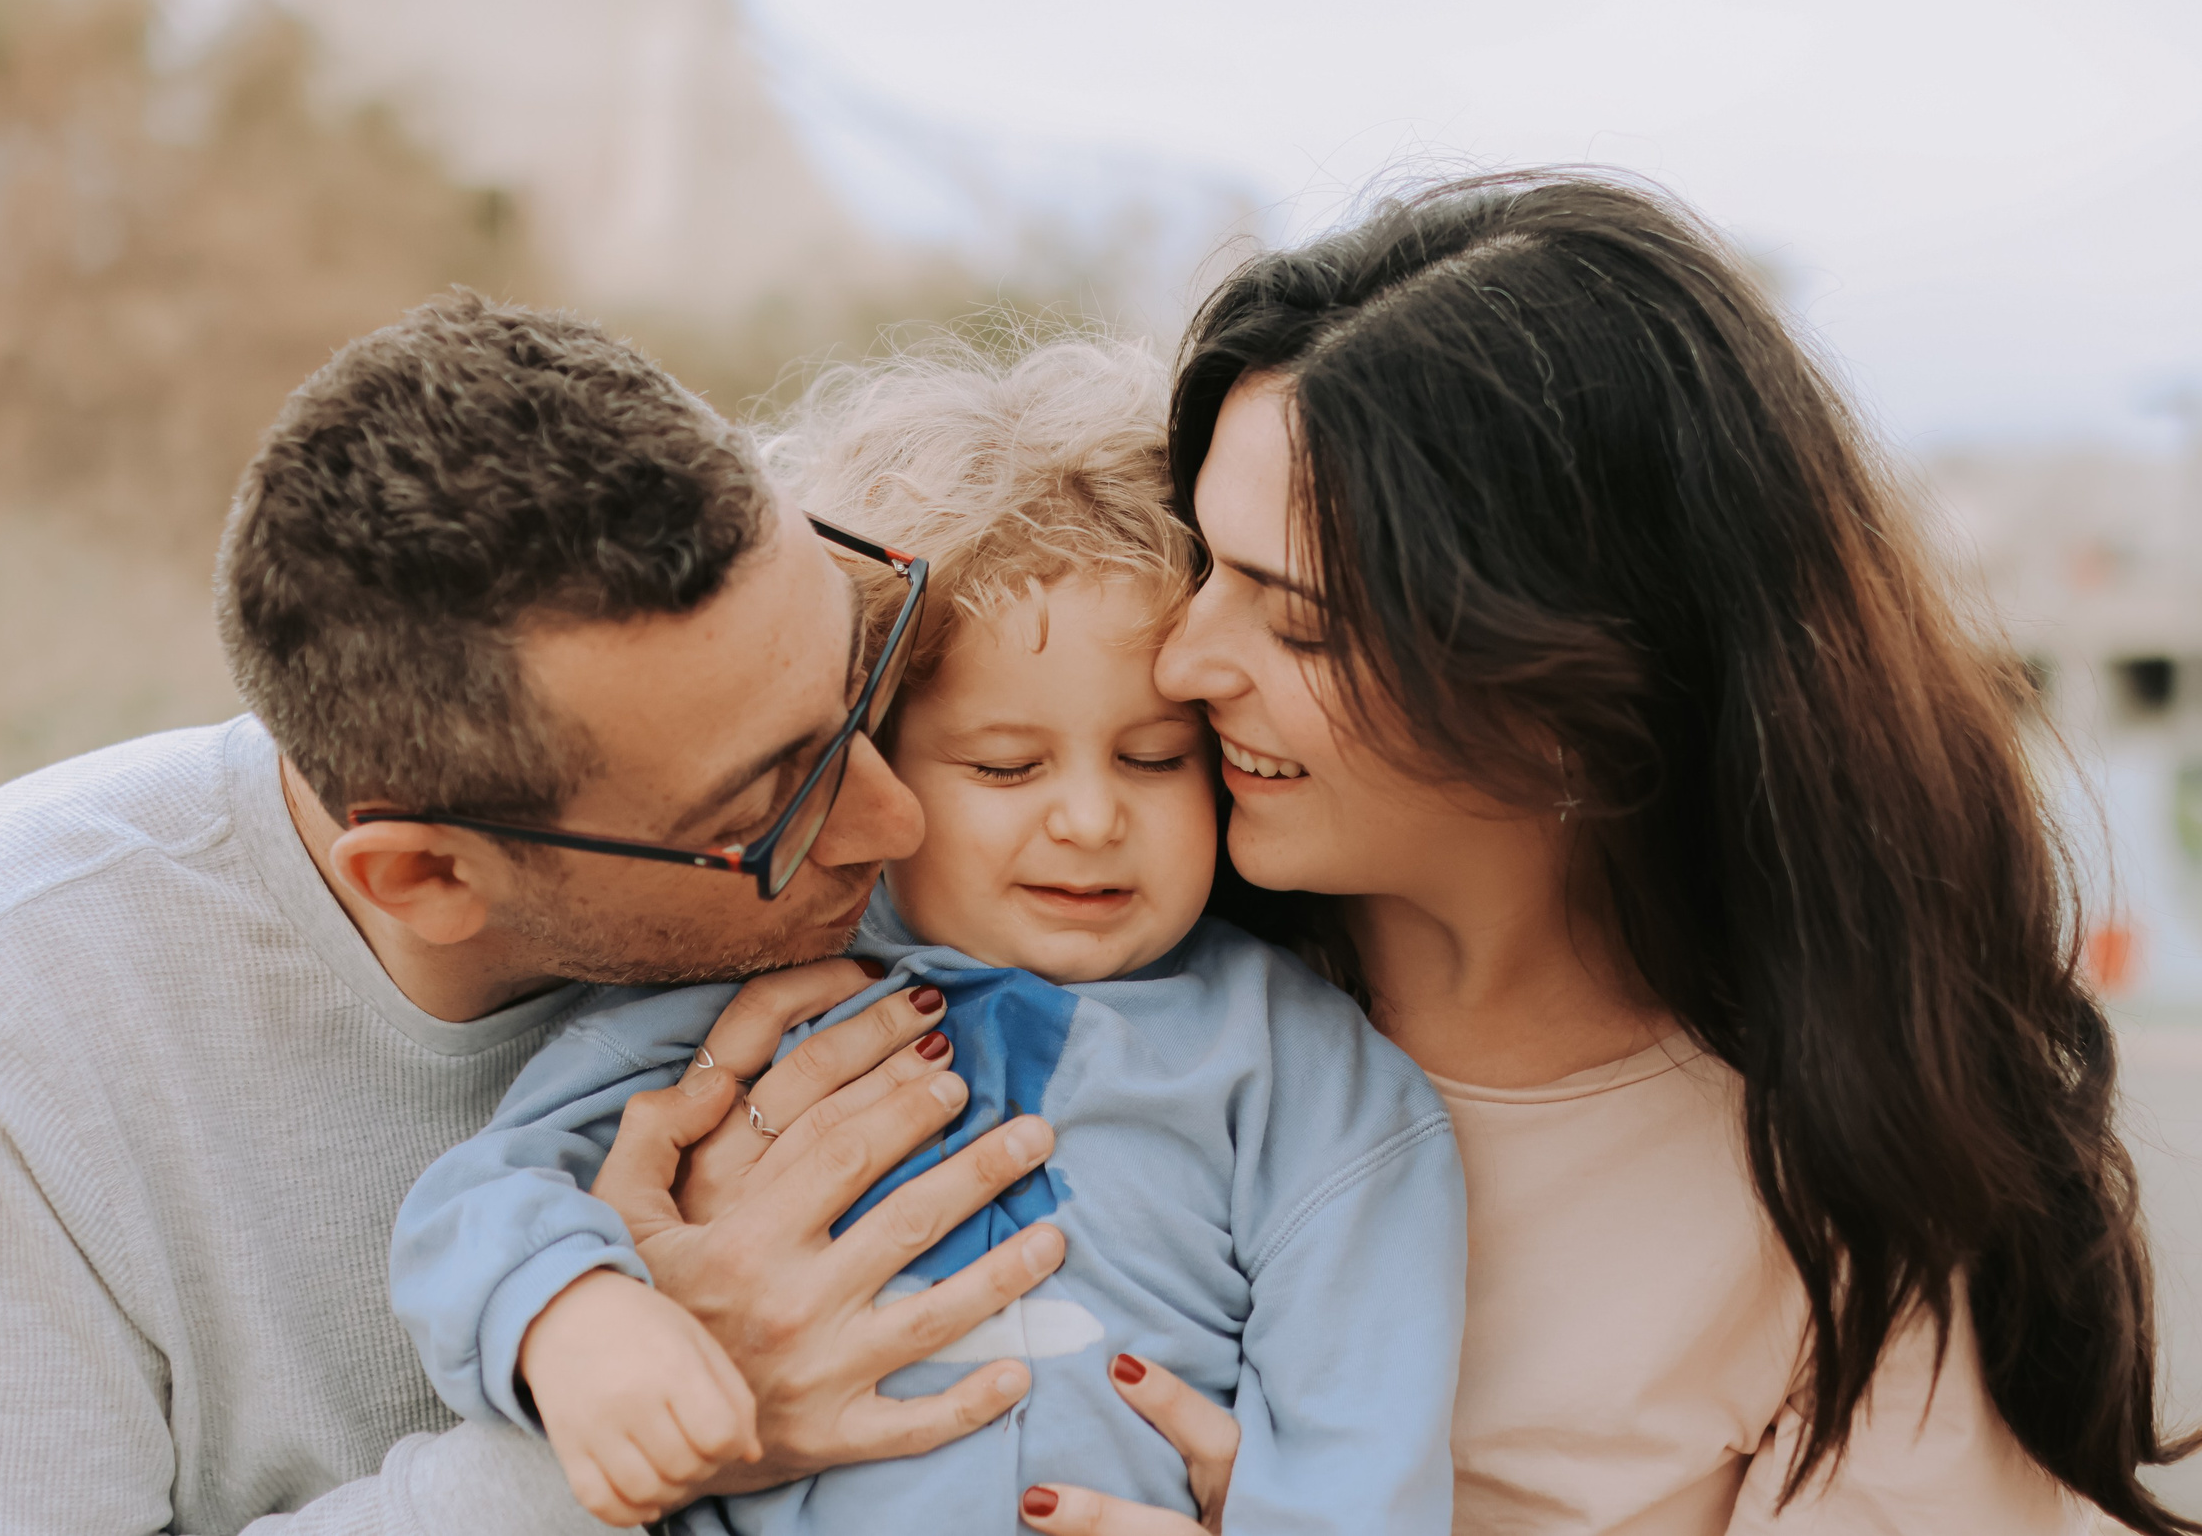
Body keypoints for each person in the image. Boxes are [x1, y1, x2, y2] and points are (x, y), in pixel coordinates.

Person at [1036, 172, 2202, 1535]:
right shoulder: (1055, 938)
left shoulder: (1852, 1206)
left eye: (1303, 623)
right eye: (1204, 565)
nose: (1185, 657)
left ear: (1575, 709)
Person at [0, 293, 1079, 1534]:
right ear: (426, 877)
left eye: (855, 678)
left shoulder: (961, 843)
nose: (893, 823)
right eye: (773, 801)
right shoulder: (2, 982)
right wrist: (619, 1450)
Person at [388, 337, 1465, 1532]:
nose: (1093, 819)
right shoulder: (752, 1001)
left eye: (1157, 759)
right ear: (872, 759)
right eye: (1006, 765)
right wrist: (577, 1318)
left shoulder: (1302, 1070)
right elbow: (480, 1201)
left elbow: (1361, 1437)